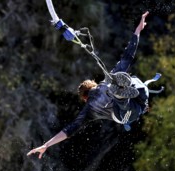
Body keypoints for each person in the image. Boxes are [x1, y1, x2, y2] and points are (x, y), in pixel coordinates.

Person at [27, 11, 151, 159]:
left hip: (126, 115)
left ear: (85, 98)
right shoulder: (106, 82)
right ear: (94, 84)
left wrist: (46, 145)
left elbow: (69, 130)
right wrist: (137, 30)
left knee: (121, 95)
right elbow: (128, 55)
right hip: (139, 100)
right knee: (128, 80)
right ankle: (125, 90)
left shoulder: (89, 109)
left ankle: (121, 94)